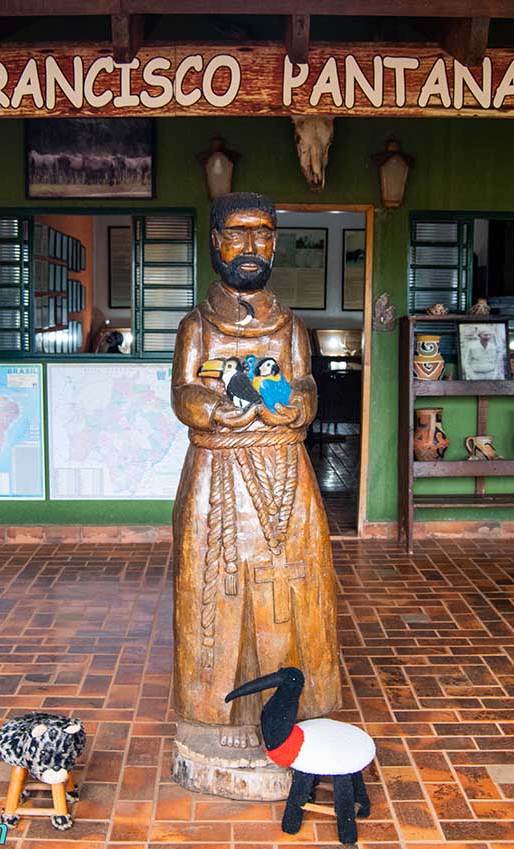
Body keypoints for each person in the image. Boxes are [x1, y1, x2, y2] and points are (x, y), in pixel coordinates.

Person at [169, 193, 339, 795]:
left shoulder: (290, 325)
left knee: (294, 584)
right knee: (216, 588)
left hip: (285, 473)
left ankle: (299, 697)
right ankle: (215, 708)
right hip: (219, 477)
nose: (250, 248)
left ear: (274, 243)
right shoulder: (198, 324)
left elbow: (306, 382)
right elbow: (184, 392)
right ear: (215, 242)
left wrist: (299, 400)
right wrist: (215, 405)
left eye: (262, 235)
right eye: (237, 236)